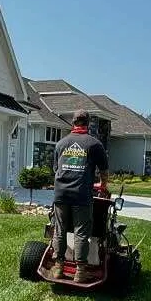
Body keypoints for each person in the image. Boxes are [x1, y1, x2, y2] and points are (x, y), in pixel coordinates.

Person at [49, 109, 110, 283]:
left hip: (60, 193)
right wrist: (103, 186)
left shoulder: (61, 144)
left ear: (73, 123)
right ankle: (80, 271)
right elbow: (104, 171)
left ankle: (59, 268)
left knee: (60, 230)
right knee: (81, 232)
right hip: (82, 195)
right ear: (88, 123)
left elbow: (56, 170)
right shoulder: (94, 144)